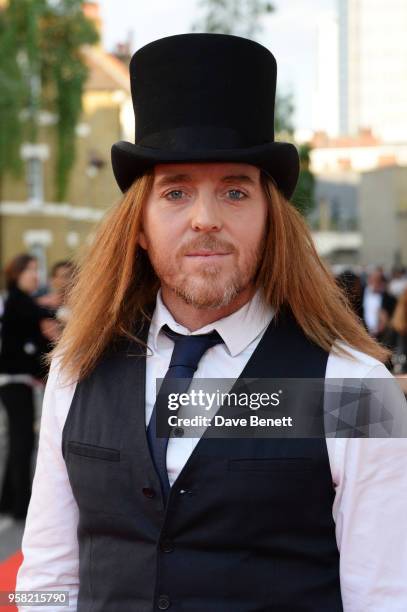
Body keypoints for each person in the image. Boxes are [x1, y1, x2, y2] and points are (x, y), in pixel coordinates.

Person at [16, 34, 407, 611]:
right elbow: (47, 578)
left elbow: (384, 596)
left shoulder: (356, 387)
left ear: (272, 220)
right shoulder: (77, 371)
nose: (205, 220)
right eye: (175, 193)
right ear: (140, 229)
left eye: (233, 191)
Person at [0, 254, 58, 519]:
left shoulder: (22, 303)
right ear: (16, 274)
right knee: (22, 441)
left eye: (37, 270)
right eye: (30, 270)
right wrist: (56, 310)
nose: (35, 275)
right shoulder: (16, 301)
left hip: (19, 382)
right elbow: (37, 316)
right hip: (14, 382)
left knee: (20, 441)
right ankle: (21, 505)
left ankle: (10, 500)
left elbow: (40, 337)